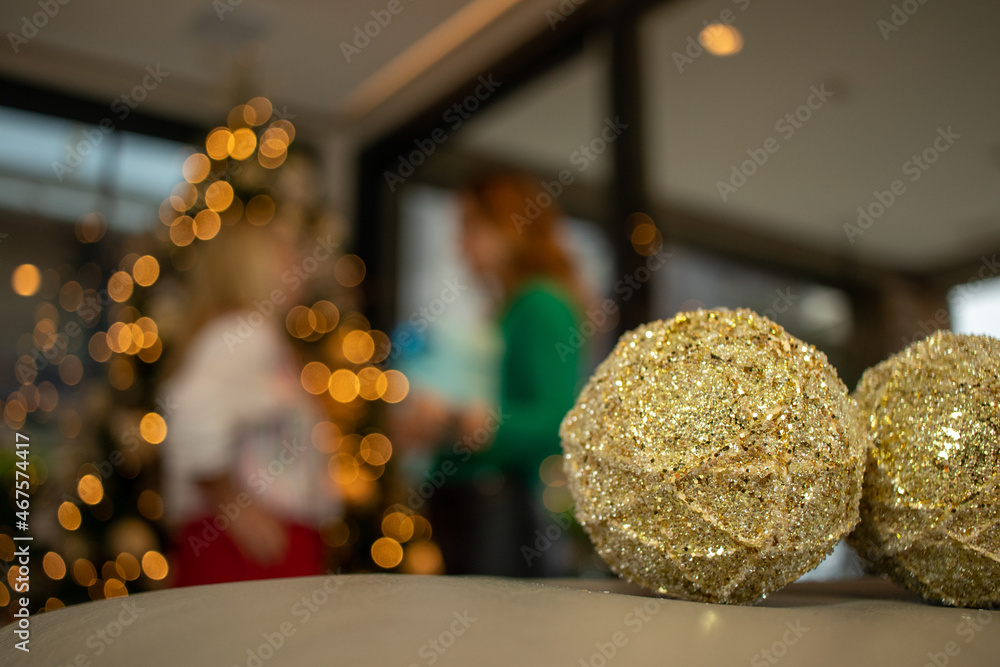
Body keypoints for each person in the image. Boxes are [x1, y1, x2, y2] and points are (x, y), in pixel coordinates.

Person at [408, 172, 587, 576]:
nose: (460, 244)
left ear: (511, 227)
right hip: (475, 499)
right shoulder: (510, 307)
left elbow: (556, 420)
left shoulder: (540, 303)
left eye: (471, 226)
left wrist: (463, 422)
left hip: (494, 504)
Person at [161, 223, 338, 586]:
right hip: (245, 552)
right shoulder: (242, 333)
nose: (298, 263)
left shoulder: (253, 337)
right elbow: (192, 411)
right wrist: (233, 507)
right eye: (283, 255)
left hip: (252, 545)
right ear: (250, 267)